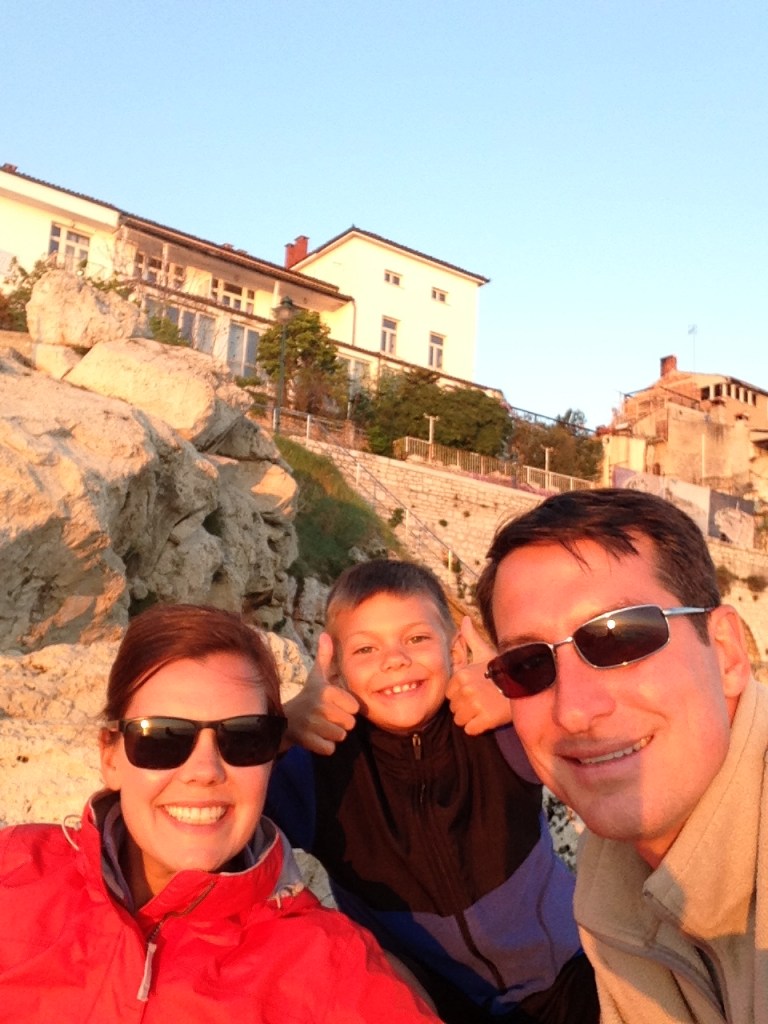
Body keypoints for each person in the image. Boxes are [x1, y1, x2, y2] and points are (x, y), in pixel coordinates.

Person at [0, 603, 441, 1023]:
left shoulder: (333, 966)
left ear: (271, 758)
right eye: (163, 737)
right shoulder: (14, 868)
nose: (205, 771)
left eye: (244, 738)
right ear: (110, 756)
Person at [266, 560, 598, 1024]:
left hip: (572, 975)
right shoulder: (317, 769)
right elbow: (218, 804)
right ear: (336, 669)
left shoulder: (498, 729)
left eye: (417, 638)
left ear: (454, 648)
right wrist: (281, 730)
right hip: (437, 1007)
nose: (395, 660)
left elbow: (601, 734)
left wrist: (522, 698)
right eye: (366, 649)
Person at [475, 487, 762, 1024]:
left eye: (620, 637)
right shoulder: (606, 882)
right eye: (527, 665)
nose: (574, 710)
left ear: (725, 653)